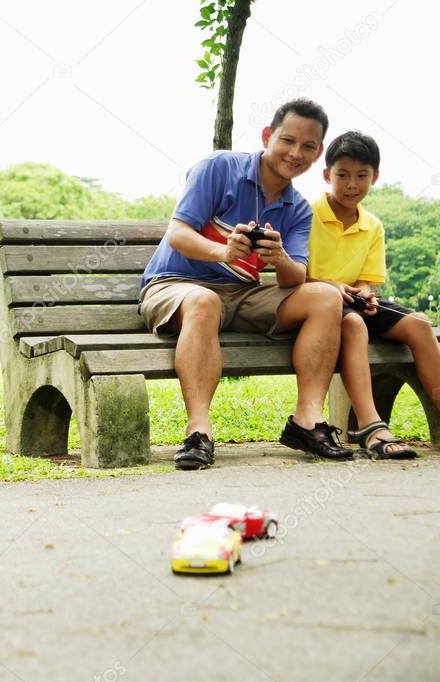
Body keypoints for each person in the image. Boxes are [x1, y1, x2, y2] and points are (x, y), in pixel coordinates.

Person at [138, 99, 352, 471]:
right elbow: (178, 234)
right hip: (175, 285)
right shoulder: (218, 167)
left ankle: (307, 421)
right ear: (268, 136)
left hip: (240, 296)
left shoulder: (298, 209)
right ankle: (198, 432)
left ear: (318, 155)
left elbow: (295, 277)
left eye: (308, 147)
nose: (295, 153)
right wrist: (223, 251)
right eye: (288, 140)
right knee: (204, 301)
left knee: (325, 297)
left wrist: (280, 258)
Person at [307, 130, 440, 457]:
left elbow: (368, 281)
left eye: (361, 176)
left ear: (375, 177)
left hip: (354, 301)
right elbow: (300, 274)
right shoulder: (309, 213)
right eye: (342, 175)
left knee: (420, 324)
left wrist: (366, 294)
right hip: (319, 303)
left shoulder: (373, 226)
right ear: (327, 175)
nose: (352, 184)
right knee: (353, 326)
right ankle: (371, 426)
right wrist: (332, 287)